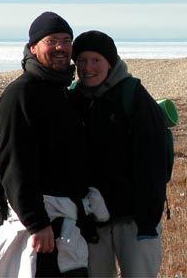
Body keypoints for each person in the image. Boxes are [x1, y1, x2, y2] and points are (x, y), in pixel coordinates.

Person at [0, 12, 99, 278]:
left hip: (68, 224)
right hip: (44, 227)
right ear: (33, 47)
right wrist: (36, 223)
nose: (60, 47)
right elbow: (14, 164)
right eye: (52, 40)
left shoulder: (63, 94)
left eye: (66, 40)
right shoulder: (20, 95)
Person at [70, 30, 168, 278]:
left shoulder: (133, 95)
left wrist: (148, 221)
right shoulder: (74, 99)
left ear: (110, 62)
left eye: (96, 60)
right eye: (81, 60)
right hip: (92, 221)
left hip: (134, 220)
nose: (87, 68)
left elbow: (155, 161)